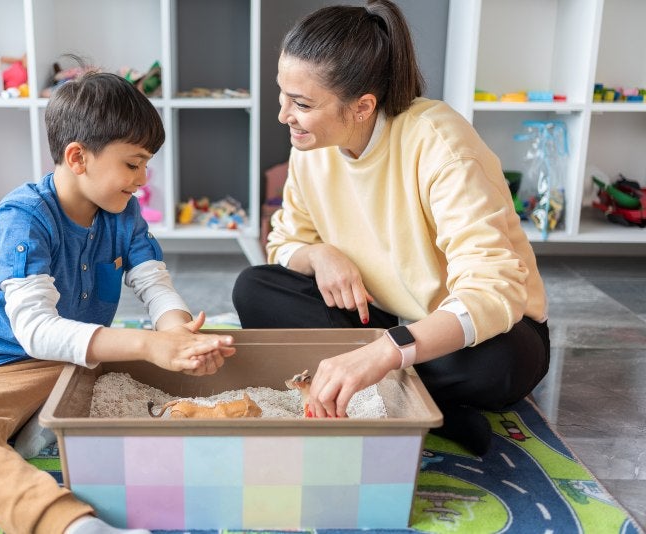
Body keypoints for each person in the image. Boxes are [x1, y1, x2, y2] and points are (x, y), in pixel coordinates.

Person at [0, 70, 236, 534]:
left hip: (85, 361)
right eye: (133, 164)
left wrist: (173, 333)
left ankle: (46, 418)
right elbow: (36, 331)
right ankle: (72, 525)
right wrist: (147, 347)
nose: (142, 180)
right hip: (10, 366)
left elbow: (153, 282)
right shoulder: (22, 219)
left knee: (157, 359)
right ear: (77, 157)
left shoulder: (123, 213)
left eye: (146, 165)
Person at [232, 0, 549, 457]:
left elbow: (493, 291)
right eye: (282, 94)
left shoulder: (441, 144)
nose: (283, 115)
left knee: (497, 361)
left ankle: (383, 388)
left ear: (362, 106)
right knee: (255, 288)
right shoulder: (310, 147)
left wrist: (385, 352)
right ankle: (418, 403)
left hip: (466, 333)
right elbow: (284, 241)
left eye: (301, 104)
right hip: (377, 318)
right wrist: (321, 255)